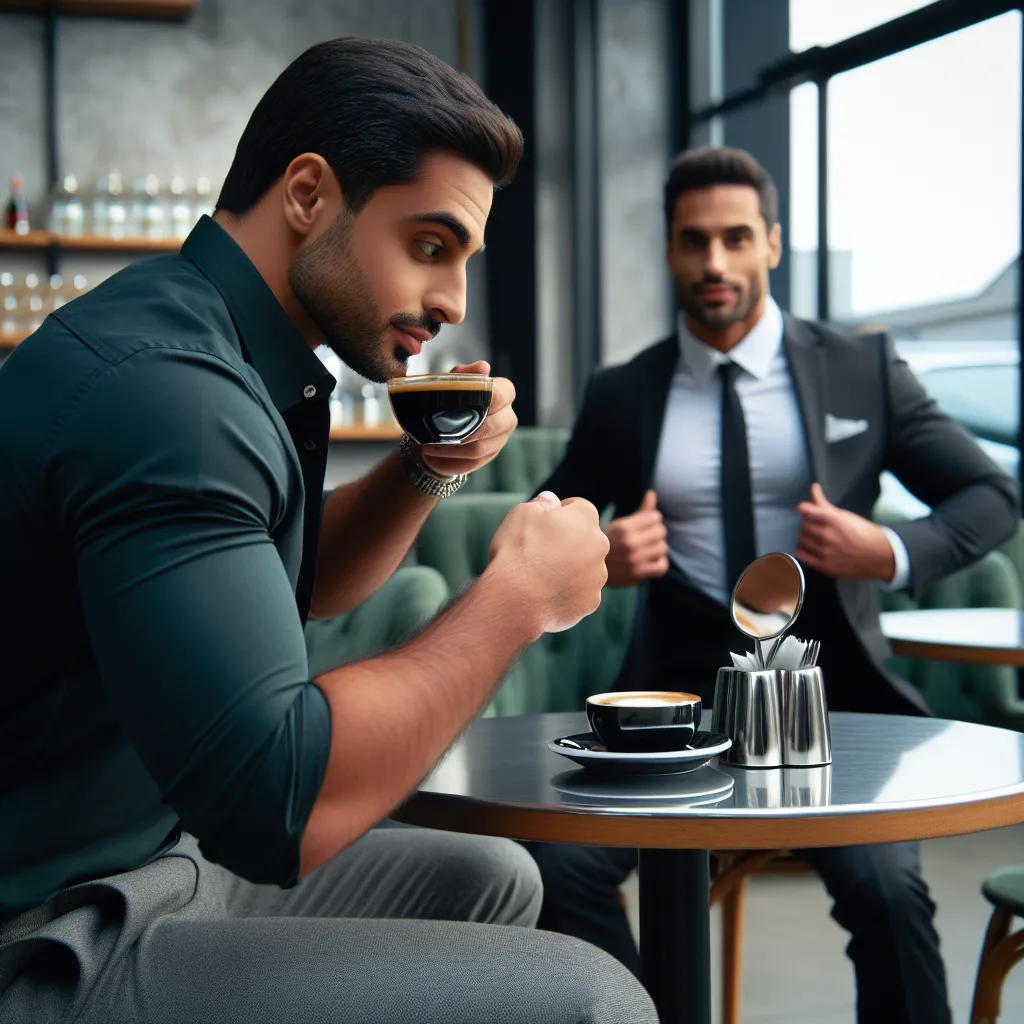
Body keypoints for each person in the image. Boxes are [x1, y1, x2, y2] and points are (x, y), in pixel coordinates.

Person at [0, 38, 658, 1024]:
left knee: (492, 878)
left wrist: (423, 466)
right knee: (595, 1000)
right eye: (430, 246)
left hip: (154, 853)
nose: (452, 301)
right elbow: (280, 802)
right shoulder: (169, 397)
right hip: (52, 931)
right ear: (307, 194)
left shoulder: (225, 341)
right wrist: (515, 599)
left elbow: (291, 582)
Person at [527, 146, 1020, 1024]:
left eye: (735, 238)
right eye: (694, 241)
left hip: (836, 710)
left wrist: (890, 549)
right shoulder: (623, 393)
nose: (715, 263)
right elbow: (541, 522)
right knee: (555, 871)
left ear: (772, 245)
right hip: (673, 712)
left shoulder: (860, 367)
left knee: (888, 894)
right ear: (672, 251)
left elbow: (993, 492)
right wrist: (599, 550)